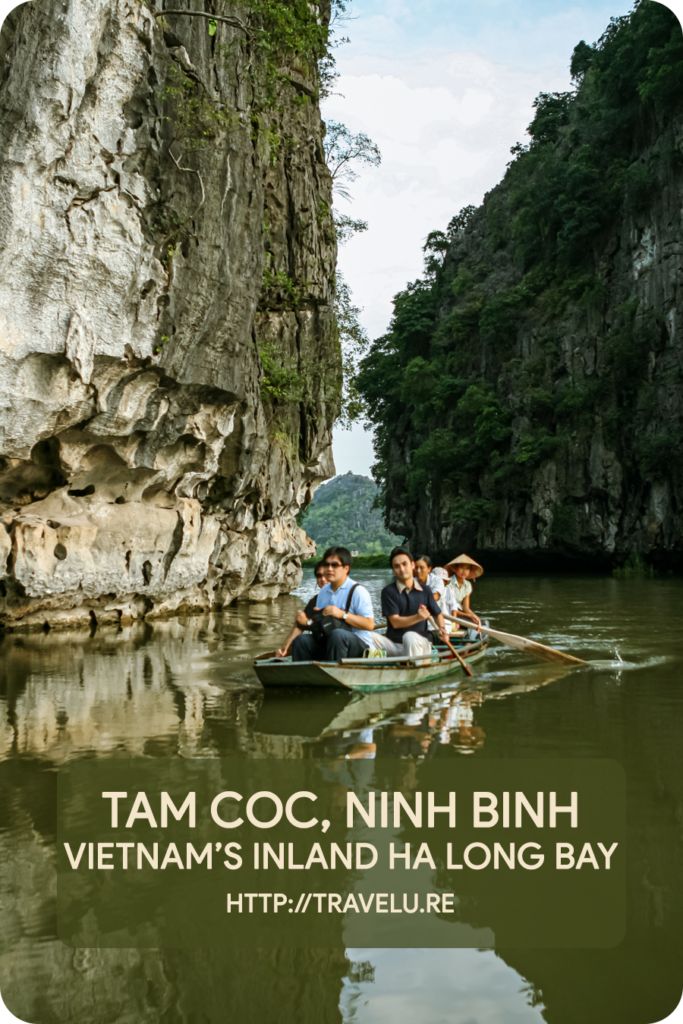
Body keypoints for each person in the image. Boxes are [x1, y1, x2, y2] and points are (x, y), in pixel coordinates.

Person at [290, 546, 375, 662]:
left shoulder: (358, 591)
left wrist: (342, 614)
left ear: (346, 569)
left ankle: (333, 675)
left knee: (337, 635)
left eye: (334, 565)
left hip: (358, 647)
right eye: (326, 564)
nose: (329, 569)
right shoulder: (323, 592)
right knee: (301, 641)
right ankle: (303, 677)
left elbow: (370, 625)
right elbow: (319, 622)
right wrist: (308, 622)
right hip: (330, 642)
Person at [370, 546, 447, 661]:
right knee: (367, 636)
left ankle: (414, 670)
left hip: (419, 644)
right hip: (395, 646)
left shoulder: (425, 590)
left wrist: (442, 630)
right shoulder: (388, 591)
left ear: (412, 565)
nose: (401, 569)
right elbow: (395, 622)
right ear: (393, 571)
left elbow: (437, 614)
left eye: (404, 564)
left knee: (409, 636)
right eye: (397, 566)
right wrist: (418, 617)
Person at [276, 561, 327, 658]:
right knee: (300, 639)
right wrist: (284, 649)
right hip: (322, 643)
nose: (323, 579)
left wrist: (308, 622)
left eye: (326, 575)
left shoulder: (340, 598)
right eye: (319, 576)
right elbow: (299, 626)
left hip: (339, 643)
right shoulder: (315, 601)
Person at [444, 553, 483, 630]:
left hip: (460, 613)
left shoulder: (467, 585)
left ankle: (468, 642)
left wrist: (475, 616)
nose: (464, 571)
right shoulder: (448, 583)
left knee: (479, 622)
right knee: (472, 624)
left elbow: (466, 608)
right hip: (449, 613)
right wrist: (469, 616)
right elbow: (449, 607)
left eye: (467, 568)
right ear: (455, 568)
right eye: (461, 567)